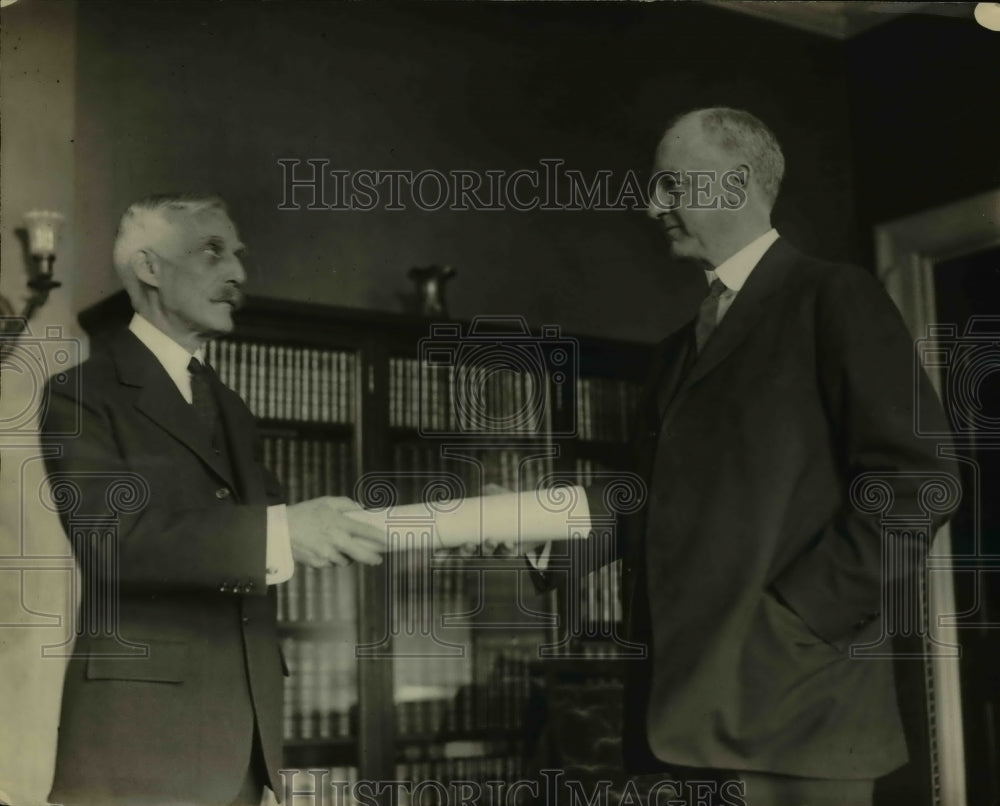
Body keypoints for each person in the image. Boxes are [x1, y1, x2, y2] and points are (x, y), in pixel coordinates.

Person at [526, 108, 958, 806]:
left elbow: (918, 482)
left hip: (800, 711)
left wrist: (798, 618)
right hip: (686, 714)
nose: (650, 205)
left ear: (734, 183)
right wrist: (547, 531)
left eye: (669, 185)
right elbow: (655, 495)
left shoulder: (834, 298)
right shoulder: (676, 349)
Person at [40, 194, 385, 806]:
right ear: (149, 267)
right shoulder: (79, 395)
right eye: (212, 251)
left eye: (239, 255)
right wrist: (286, 532)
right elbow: (115, 543)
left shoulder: (230, 406)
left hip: (241, 750)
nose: (239, 275)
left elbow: (276, 527)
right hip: (137, 754)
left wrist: (429, 524)